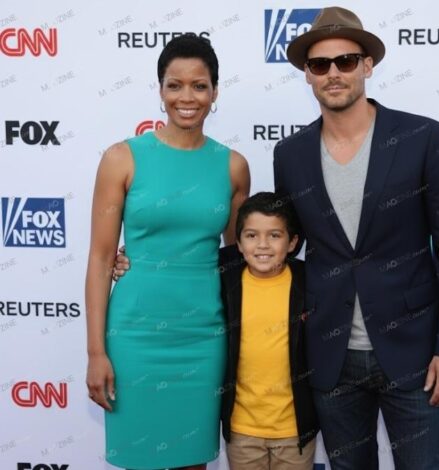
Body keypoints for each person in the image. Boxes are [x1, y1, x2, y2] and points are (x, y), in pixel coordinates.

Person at [274, 6, 439, 469]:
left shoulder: (421, 137)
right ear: (307, 75)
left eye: (346, 61)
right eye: (320, 64)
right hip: (331, 357)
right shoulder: (290, 154)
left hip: (414, 355)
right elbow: (283, 244)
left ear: (367, 65)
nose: (333, 73)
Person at [85, 33, 250, 469]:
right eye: (174, 85)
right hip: (134, 337)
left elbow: (237, 261)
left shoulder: (233, 166)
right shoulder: (122, 158)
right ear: (160, 91)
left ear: (215, 92)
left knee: (192, 461)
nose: (187, 97)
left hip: (203, 338)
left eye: (199, 85)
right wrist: (96, 352)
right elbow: (101, 259)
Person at [218, 192, 318, 469]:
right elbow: (181, 266)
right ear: (238, 243)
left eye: (275, 235)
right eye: (251, 236)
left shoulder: (310, 280)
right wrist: (127, 259)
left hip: (295, 430)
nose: (262, 245)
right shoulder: (224, 278)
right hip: (242, 429)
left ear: (293, 242)